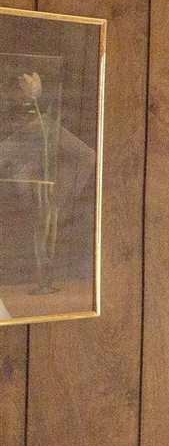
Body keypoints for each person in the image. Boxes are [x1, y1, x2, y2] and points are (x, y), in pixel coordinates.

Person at [0, 63, 97, 300]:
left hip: (45, 194)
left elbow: (87, 157)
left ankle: (45, 280)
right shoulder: (26, 127)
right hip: (33, 194)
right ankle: (42, 280)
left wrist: (65, 188)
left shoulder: (45, 126)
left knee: (44, 231)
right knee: (40, 231)